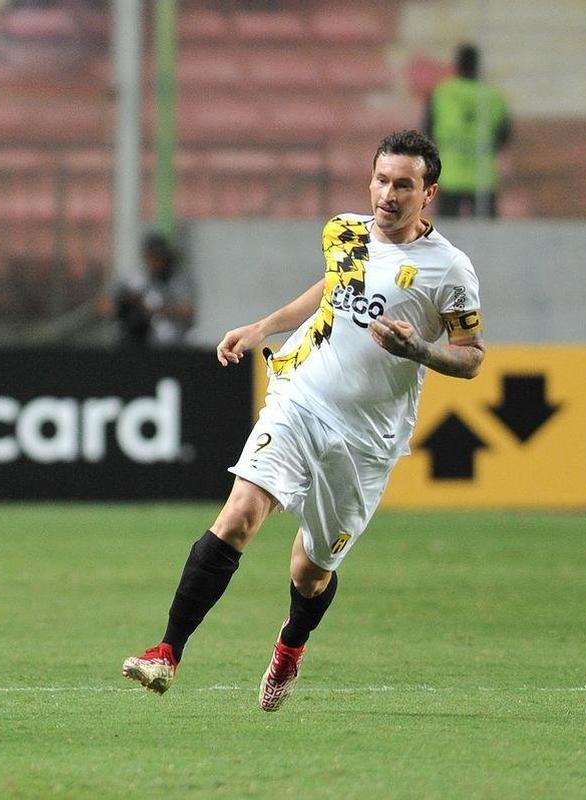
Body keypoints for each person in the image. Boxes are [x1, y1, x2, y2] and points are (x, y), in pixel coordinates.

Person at [121, 130, 485, 711]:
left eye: (404, 185)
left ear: (429, 193)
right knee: (241, 513)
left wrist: (421, 351)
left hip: (367, 440)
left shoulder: (450, 271)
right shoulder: (344, 231)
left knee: (310, 570)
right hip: (300, 397)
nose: (388, 195)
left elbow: (470, 357)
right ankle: (166, 650)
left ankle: (291, 646)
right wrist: (263, 327)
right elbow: (330, 292)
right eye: (381, 180)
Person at [422, 44, 511, 218]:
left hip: (449, 174)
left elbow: (427, 131)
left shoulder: (443, 93)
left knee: (445, 237)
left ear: (458, 65)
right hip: (483, 176)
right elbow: (504, 136)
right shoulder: (493, 96)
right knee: (488, 237)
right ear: (479, 65)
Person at [110, 232, 196, 347]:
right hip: (137, 341)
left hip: (172, 342)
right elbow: (105, 305)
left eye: (159, 258)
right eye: (152, 257)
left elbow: (188, 311)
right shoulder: (136, 278)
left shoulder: (178, 280)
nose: (155, 262)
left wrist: (156, 309)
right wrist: (129, 303)